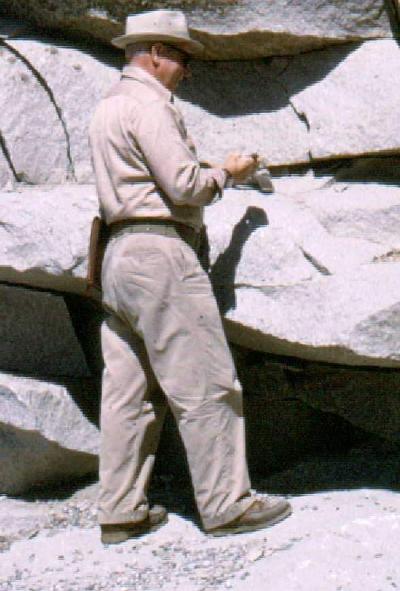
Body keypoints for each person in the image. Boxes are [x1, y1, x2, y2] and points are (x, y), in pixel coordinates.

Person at [89, 9, 292, 544]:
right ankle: (227, 504)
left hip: (117, 255)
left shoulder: (107, 105)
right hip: (162, 253)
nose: (185, 69)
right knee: (206, 382)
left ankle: (120, 511)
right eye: (181, 56)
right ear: (156, 53)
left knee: (128, 394)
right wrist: (230, 171)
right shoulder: (149, 104)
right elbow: (184, 186)